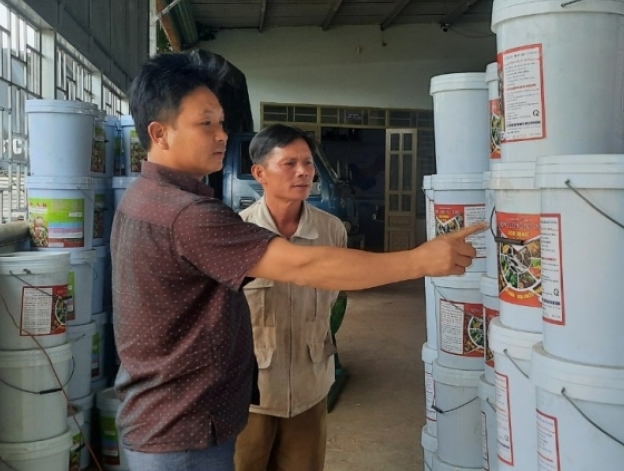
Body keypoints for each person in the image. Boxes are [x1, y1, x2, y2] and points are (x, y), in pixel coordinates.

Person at [111, 50, 483, 471]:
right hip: (184, 428)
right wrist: (420, 261)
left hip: (184, 416)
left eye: (221, 123)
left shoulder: (144, 199)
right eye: (206, 124)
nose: (221, 136)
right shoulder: (189, 215)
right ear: (160, 133)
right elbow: (306, 266)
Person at [233, 125, 344, 471]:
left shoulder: (331, 231)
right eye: (289, 163)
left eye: (308, 163)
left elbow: (332, 300)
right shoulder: (237, 233)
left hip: (311, 386)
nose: (303, 172)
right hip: (252, 393)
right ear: (259, 173)